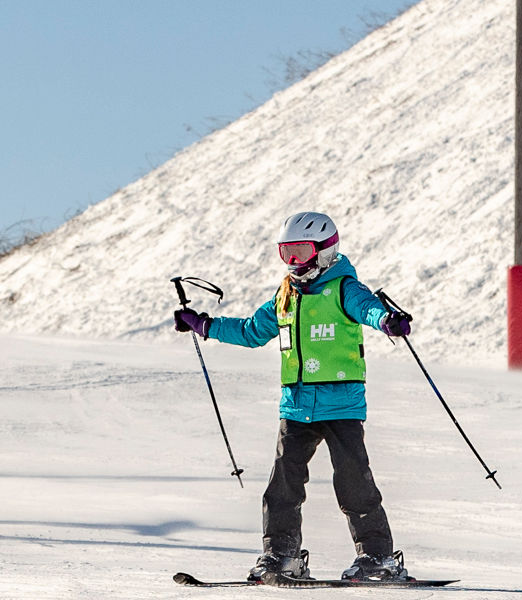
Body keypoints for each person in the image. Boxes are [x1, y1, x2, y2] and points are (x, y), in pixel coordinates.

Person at [169, 211, 417, 583]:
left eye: (301, 252)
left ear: (326, 250)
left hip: (341, 403)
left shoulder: (344, 288)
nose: (293, 263)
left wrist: (387, 321)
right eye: (286, 253)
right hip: (296, 406)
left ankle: (378, 557)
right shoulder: (286, 296)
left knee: (354, 483)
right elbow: (253, 331)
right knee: (282, 487)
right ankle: (281, 555)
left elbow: (368, 309)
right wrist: (205, 325)